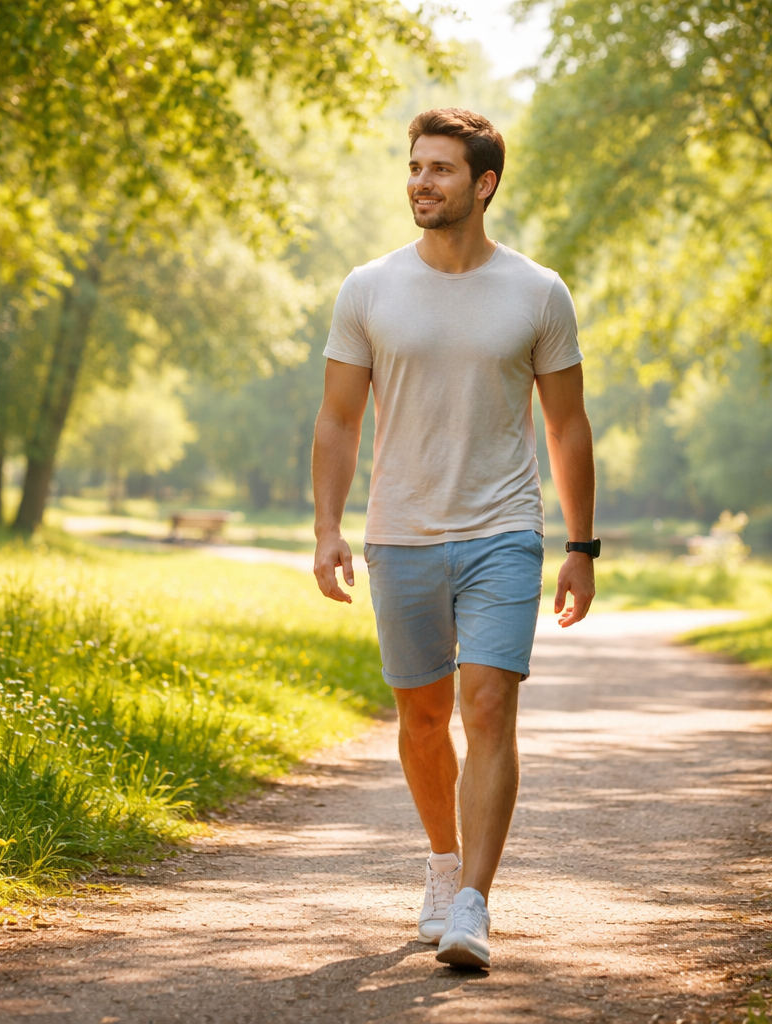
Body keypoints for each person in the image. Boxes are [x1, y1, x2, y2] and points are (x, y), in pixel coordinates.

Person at [310, 107, 598, 969]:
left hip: (504, 529)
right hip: (399, 534)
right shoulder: (369, 287)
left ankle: (474, 900)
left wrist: (581, 547)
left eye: (439, 169)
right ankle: (442, 864)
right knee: (424, 717)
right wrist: (327, 528)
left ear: (484, 184)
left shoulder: (539, 292)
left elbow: (569, 427)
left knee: (488, 706)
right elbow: (336, 420)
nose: (420, 183)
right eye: (413, 167)